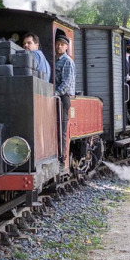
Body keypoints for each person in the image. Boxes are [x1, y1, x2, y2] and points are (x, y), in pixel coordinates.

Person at [54, 35, 75, 167]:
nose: (59, 46)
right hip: (56, 96)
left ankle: (62, 158)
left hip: (63, 97)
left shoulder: (67, 61)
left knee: (61, 128)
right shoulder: (54, 60)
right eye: (57, 44)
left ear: (67, 46)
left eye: (62, 44)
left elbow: (66, 83)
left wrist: (55, 94)